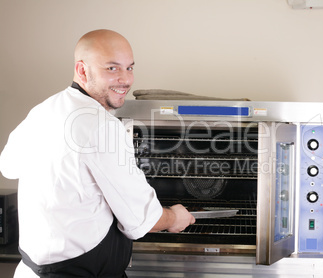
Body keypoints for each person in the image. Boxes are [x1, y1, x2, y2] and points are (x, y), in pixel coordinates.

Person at [0, 29, 195, 278]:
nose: (126, 80)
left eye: (130, 68)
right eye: (112, 69)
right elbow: (140, 219)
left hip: (33, 270)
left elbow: (8, 166)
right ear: (82, 70)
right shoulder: (101, 125)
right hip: (78, 273)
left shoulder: (45, 109)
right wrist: (174, 217)